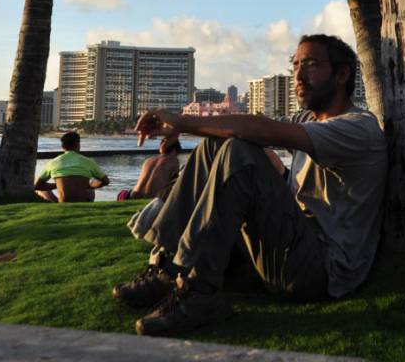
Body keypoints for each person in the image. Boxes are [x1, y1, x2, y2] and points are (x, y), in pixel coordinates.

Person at [113, 33, 388, 337]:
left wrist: (183, 122)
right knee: (218, 144)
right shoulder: (307, 119)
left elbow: (260, 130)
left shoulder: (357, 127)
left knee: (239, 152)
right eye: (295, 65)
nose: (298, 74)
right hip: (288, 246)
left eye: (311, 65)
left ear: (342, 74)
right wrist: (182, 129)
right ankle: (167, 268)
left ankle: (200, 292)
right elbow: (245, 127)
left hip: (319, 270)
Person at [34, 131, 110, 202]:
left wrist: (56, 185)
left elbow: (37, 186)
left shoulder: (53, 162)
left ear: (63, 146)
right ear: (78, 144)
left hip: (63, 202)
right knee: (90, 184)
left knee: (42, 189)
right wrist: (89, 186)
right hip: (83, 201)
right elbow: (105, 181)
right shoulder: (88, 161)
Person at [117, 135, 182, 201]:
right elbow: (175, 184)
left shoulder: (149, 160)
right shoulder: (174, 161)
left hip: (133, 195)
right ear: (175, 149)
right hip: (151, 197)